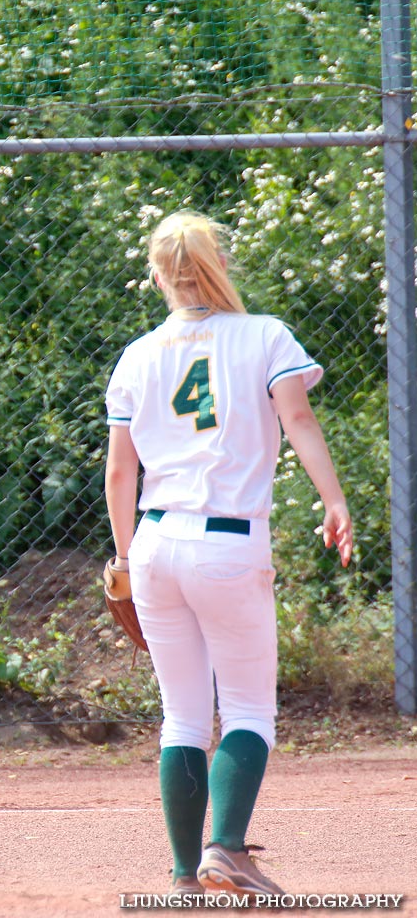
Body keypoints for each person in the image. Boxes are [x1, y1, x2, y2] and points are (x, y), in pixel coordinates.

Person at [103, 211, 352, 897]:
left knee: (182, 714)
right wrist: (334, 500)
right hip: (229, 541)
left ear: (157, 275)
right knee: (245, 711)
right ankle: (226, 851)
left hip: (154, 542)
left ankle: (186, 877)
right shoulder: (264, 336)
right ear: (220, 266)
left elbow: (121, 472)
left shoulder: (137, 355)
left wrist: (124, 556)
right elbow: (297, 418)